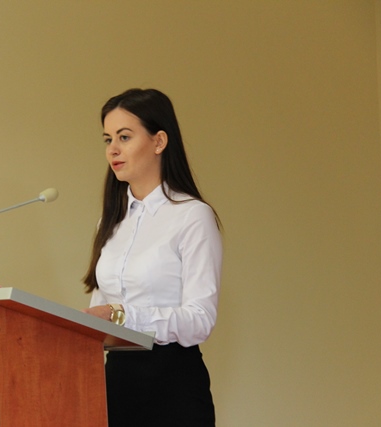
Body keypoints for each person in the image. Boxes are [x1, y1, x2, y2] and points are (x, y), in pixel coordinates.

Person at [82, 88, 222, 427]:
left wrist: (122, 315)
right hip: (115, 385)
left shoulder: (192, 216)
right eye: (108, 139)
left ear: (159, 141)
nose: (112, 149)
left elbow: (200, 319)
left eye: (124, 137)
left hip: (173, 386)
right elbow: (99, 310)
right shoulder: (110, 221)